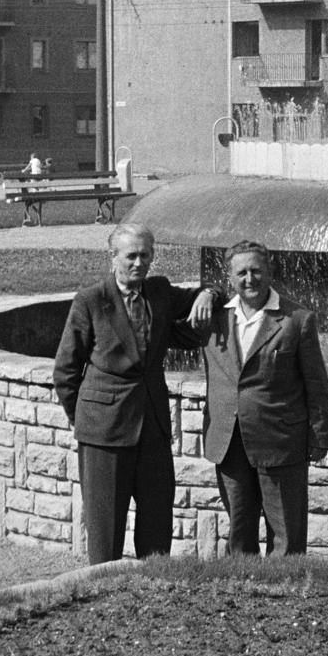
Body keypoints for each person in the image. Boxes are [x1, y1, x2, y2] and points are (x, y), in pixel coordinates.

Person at [53, 223, 214, 564]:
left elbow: (209, 294)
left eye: (145, 255)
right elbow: (66, 370)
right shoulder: (91, 300)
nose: (139, 263)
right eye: (131, 256)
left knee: (157, 522)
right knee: (106, 529)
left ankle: (153, 584)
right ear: (113, 257)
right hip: (104, 431)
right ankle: (102, 588)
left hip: (152, 427)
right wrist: (86, 418)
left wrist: (208, 294)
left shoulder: (160, 292)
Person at [192, 240, 328, 555]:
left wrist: (321, 436)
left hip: (280, 441)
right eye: (241, 273)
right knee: (239, 533)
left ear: (270, 271)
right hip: (228, 440)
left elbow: (316, 384)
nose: (249, 279)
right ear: (230, 278)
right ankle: (242, 583)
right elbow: (170, 308)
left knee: (286, 535)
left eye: (256, 270)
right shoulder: (213, 318)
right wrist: (207, 292)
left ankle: (287, 583)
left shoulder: (297, 319)